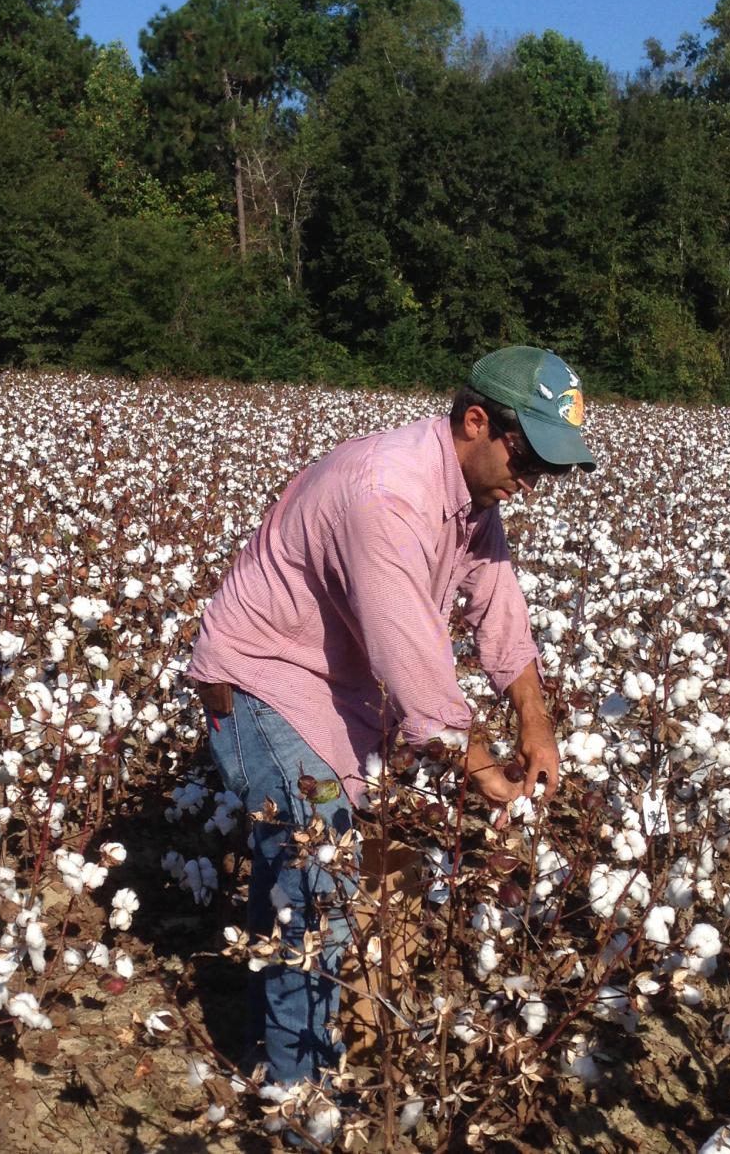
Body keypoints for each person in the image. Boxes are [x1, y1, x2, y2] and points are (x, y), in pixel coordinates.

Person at [187, 345, 596, 1089]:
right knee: (321, 876)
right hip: (261, 681)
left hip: (332, 690)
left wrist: (536, 720)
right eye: (529, 457)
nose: (533, 482)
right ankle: (296, 1094)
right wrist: (483, 774)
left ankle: (269, 1048)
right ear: (477, 421)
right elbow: (418, 680)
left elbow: (497, 603)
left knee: (299, 872)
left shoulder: (474, 500)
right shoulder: (390, 497)